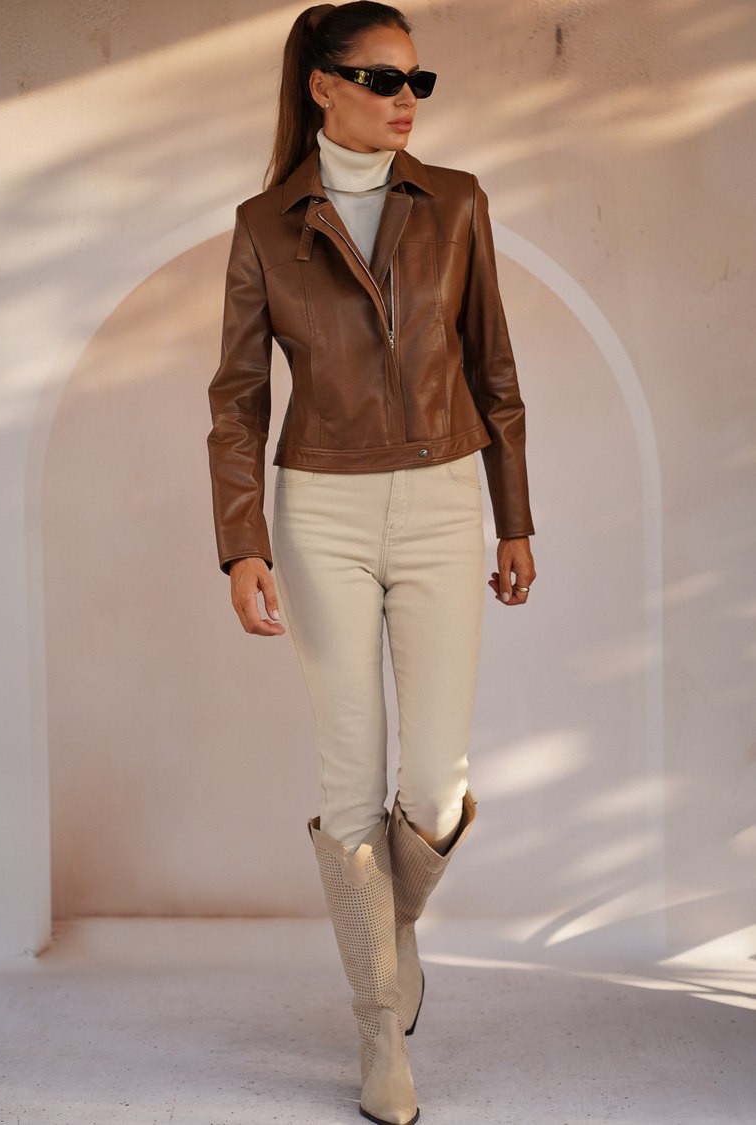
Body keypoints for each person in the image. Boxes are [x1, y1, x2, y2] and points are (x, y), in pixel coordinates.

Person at [207, 4, 536, 1122]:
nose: (406, 99)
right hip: (320, 514)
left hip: (443, 500)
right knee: (349, 778)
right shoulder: (264, 225)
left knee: (432, 785)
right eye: (382, 78)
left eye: (417, 80)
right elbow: (237, 398)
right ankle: (377, 1026)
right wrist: (240, 541)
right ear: (321, 85)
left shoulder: (456, 202)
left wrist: (512, 517)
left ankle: (388, 927)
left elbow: (494, 371)